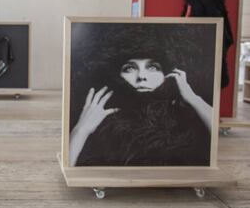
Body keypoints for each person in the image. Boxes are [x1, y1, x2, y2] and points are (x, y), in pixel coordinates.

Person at [69, 24, 214, 167]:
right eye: (130, 68)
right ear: (116, 74)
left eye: (153, 67)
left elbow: (216, 143)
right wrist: (81, 130)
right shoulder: (102, 122)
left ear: (168, 73)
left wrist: (193, 98)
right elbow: (69, 168)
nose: (142, 77)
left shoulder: (185, 116)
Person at [182, 0, 233, 88]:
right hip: (199, 37)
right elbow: (187, 15)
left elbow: (223, 14)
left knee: (217, 70)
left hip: (217, 36)